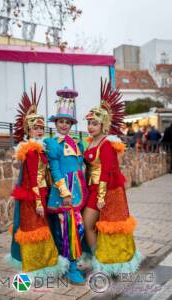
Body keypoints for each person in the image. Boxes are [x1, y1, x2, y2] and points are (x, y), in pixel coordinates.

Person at [5, 84, 69, 277]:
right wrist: (40, 202)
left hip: (37, 195)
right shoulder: (32, 150)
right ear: (28, 130)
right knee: (35, 230)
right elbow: (33, 178)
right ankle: (37, 268)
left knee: (38, 229)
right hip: (34, 197)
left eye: (41, 127)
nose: (39, 131)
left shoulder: (38, 148)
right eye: (35, 128)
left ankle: (38, 266)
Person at [83, 78, 141, 275]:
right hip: (90, 189)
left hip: (106, 192)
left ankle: (104, 260)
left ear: (103, 124)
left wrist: (100, 197)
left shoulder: (107, 143)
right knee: (89, 226)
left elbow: (108, 172)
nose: (90, 126)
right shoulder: (90, 141)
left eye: (95, 123)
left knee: (97, 225)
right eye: (89, 123)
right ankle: (96, 257)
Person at [44, 87, 87, 285]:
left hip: (78, 193)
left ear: (70, 124)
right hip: (65, 194)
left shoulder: (77, 143)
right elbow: (55, 170)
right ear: (55, 123)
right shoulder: (53, 144)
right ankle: (70, 267)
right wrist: (65, 192)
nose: (63, 125)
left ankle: (68, 264)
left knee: (76, 229)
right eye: (60, 121)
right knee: (68, 229)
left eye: (67, 122)